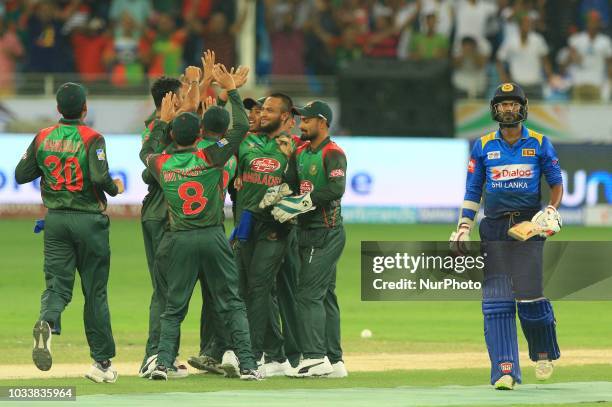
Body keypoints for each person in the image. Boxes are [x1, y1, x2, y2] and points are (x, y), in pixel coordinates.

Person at [140, 64, 262, 381]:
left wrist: (161, 122)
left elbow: (147, 151)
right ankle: (248, 365)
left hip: (179, 237)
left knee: (173, 306)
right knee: (231, 301)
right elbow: (238, 130)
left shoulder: (161, 163)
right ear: (197, 134)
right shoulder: (211, 156)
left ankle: (163, 363)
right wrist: (231, 90)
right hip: (211, 236)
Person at [450, 82, 563, 390]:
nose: (508, 108)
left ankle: (542, 352)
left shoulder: (540, 143)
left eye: (514, 104)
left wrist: (551, 210)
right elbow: (473, 190)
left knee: (528, 296)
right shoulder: (483, 145)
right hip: (494, 228)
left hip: (528, 227)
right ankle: (505, 370)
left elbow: (556, 184)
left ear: (523, 107)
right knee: (497, 303)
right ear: (495, 109)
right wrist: (463, 226)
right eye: (503, 104)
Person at [15, 82, 124, 383]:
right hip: (89, 221)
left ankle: (47, 321)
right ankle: (101, 364)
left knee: (57, 286)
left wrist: (48, 169)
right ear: (85, 108)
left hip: (56, 221)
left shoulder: (43, 137)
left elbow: (20, 175)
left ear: (58, 109)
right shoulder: (93, 138)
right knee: (95, 293)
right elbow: (100, 176)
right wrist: (116, 188)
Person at [261, 100, 348, 378]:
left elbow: (336, 188)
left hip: (326, 231)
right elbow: (294, 183)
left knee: (308, 294)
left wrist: (304, 202)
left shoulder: (333, 153)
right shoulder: (300, 151)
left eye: (307, 119)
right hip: (307, 232)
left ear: (322, 122)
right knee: (324, 296)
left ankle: (314, 357)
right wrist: (283, 192)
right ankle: (334, 361)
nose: (302, 123)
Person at [233, 93, 297, 376]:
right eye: (261, 111)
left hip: (276, 225)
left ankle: (254, 355)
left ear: (285, 117)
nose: (262, 114)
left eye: (269, 111)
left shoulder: (294, 147)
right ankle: (277, 356)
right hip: (248, 221)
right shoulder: (246, 141)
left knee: (259, 287)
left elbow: (302, 186)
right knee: (251, 288)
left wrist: (290, 162)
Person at [138, 75, 186, 379]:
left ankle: (165, 354)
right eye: (181, 95)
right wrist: (163, 122)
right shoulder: (159, 129)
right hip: (161, 216)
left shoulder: (162, 125)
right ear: (170, 100)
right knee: (165, 290)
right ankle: (155, 356)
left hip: (167, 217)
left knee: (171, 290)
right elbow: (149, 161)